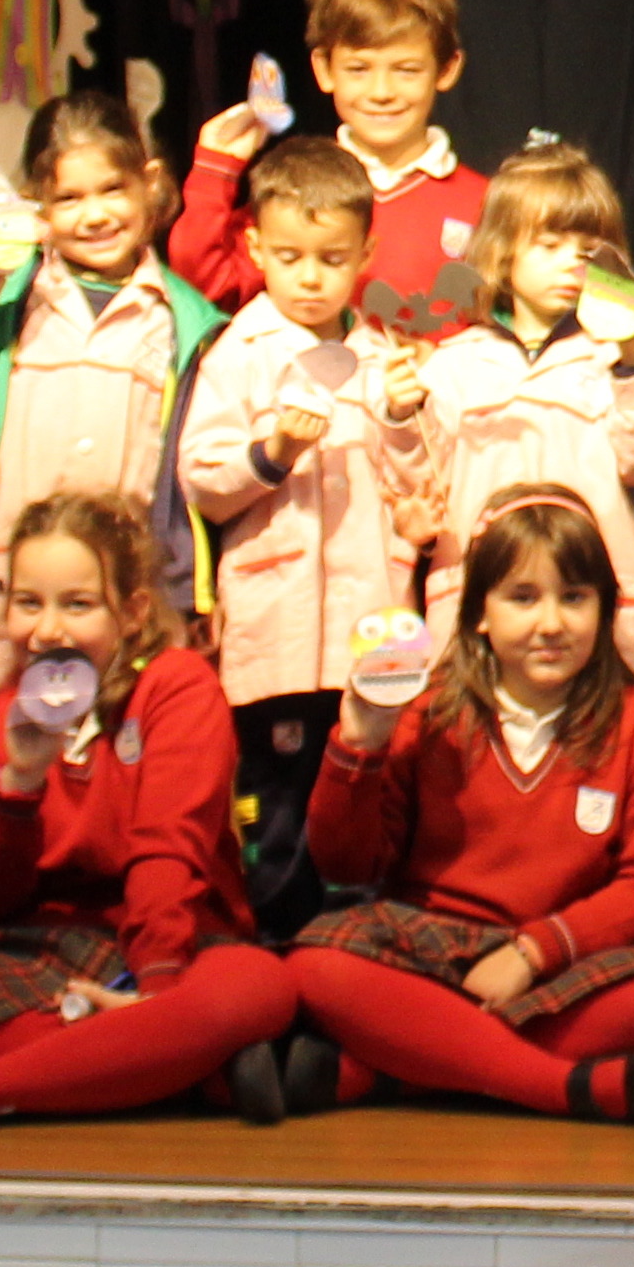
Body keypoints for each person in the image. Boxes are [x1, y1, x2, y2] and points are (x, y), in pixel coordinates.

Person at [0, 486, 297, 1143]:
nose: (47, 631)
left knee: (257, 987)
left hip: (173, 945)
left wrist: (154, 993)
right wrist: (19, 783)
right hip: (44, 953)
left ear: (132, 611)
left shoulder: (174, 686)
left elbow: (169, 849)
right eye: (27, 603)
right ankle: (177, 1067)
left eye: (78, 605)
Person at [282, 485, 634, 1126]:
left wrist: (534, 952)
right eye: (523, 598)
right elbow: (348, 864)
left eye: (574, 597)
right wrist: (359, 747)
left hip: (561, 959)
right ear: (480, 611)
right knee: (319, 962)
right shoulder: (428, 710)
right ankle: (558, 1085)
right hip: (429, 948)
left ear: (605, 608)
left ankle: (395, 1068)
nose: (551, 624)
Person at [174, 136, 447, 932]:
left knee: (369, 797)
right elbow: (203, 481)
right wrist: (271, 453)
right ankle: (279, 953)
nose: (310, 278)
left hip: (370, 625)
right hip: (278, 640)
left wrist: (403, 417)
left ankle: (357, 946)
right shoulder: (240, 352)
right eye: (289, 257)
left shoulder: (381, 355)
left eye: (331, 259)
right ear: (256, 248)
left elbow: (418, 481)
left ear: (365, 253)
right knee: (279, 813)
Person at [0, 87, 216, 703]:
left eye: (112, 190)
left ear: (150, 182)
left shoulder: (185, 320)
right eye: (69, 198)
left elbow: (194, 473)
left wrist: (186, 590)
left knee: (120, 739)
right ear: (37, 203)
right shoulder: (9, 297)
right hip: (0, 586)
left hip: (123, 592)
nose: (94, 215)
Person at [421, 140, 634, 694]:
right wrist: (399, 415)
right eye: (549, 245)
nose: (572, 262)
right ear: (502, 252)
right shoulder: (453, 364)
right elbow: (419, 482)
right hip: (482, 606)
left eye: (589, 251)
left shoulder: (619, 357)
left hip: (592, 607)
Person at [177, 0, 490, 337]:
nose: (381, 92)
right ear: (324, 69)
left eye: (406, 70)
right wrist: (214, 172)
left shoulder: (486, 203)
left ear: (446, 68)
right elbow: (206, 283)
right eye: (358, 69)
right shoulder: (296, 191)